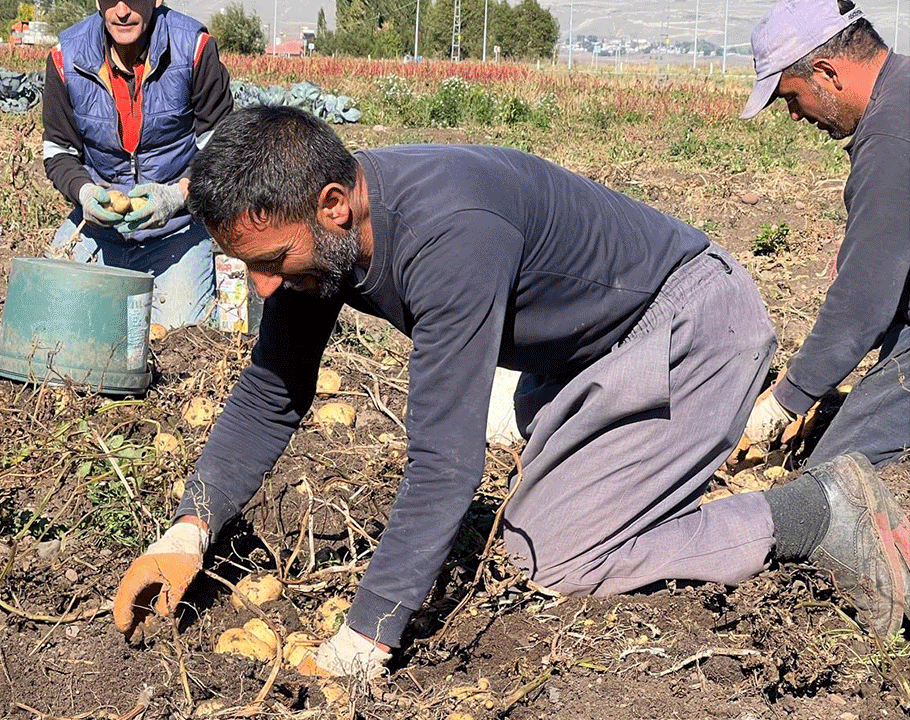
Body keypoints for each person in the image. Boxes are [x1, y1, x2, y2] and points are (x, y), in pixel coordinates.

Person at [111, 106, 910, 678]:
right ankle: (640, 468)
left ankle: (818, 513)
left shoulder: (448, 233)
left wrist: (368, 634)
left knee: (558, 554)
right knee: (514, 442)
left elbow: (443, 463)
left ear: (332, 204)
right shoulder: (323, 231)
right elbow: (271, 391)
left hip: (693, 325)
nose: (260, 285)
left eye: (271, 260)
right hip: (589, 347)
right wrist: (190, 527)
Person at [737, 0, 909, 467]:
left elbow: (864, 300)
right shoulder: (901, 93)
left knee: (833, 479)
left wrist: (785, 401)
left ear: (827, 72)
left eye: (791, 96)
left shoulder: (892, 135)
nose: (795, 115)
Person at [41, 0, 233, 329]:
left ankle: (205, 275)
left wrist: (177, 196)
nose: (122, 11)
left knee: (179, 336)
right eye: (111, 0)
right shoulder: (65, 57)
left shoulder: (195, 48)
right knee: (49, 318)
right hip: (99, 232)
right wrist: (86, 193)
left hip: (176, 231)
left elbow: (222, 148)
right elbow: (59, 149)